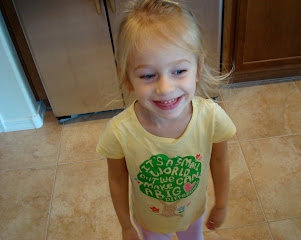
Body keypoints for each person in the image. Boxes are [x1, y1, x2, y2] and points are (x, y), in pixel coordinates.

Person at [96, 0, 236, 239]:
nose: (165, 88)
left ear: (198, 68)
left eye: (179, 71)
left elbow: (220, 161)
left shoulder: (211, 118)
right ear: (128, 79)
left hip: (194, 213)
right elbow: (117, 181)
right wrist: (126, 225)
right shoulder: (119, 132)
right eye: (148, 75)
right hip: (149, 221)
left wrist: (221, 203)